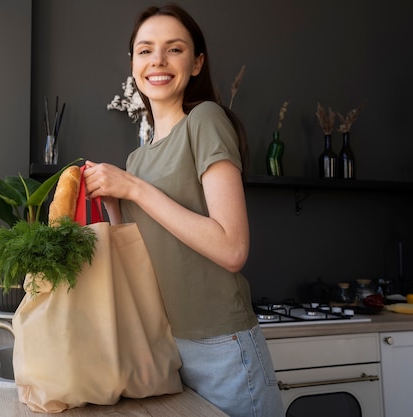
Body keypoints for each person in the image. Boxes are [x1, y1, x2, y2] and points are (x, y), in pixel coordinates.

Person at [83, 4, 284, 417]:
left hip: (223, 348)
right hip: (166, 347)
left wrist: (135, 189)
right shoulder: (137, 160)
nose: (157, 60)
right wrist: (113, 204)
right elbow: (137, 258)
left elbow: (232, 248)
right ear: (133, 64)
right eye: (145, 50)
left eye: (174, 49)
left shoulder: (205, 120)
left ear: (196, 63)